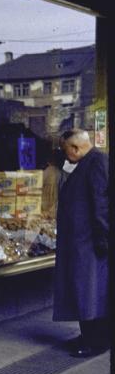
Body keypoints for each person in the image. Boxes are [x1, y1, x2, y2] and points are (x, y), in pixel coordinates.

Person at [53, 128, 110, 357]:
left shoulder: (96, 162)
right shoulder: (90, 161)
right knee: (85, 292)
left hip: (90, 243)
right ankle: (89, 336)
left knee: (90, 293)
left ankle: (96, 342)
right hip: (84, 242)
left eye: (65, 149)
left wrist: (103, 240)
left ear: (75, 148)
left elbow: (101, 203)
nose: (64, 155)